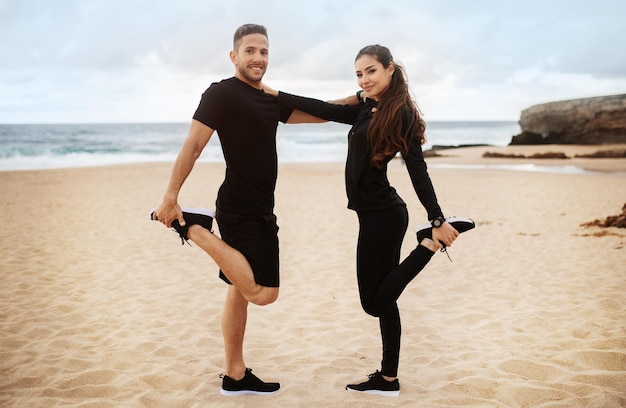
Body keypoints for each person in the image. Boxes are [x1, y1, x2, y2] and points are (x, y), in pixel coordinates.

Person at [263, 44, 473, 396]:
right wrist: (278, 96)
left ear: (390, 69)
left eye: (371, 71)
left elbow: (417, 169)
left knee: (373, 303)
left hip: (385, 216)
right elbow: (324, 109)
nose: (365, 79)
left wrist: (436, 217)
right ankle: (388, 378)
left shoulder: (400, 113)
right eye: (359, 74)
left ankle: (430, 243)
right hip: (374, 214)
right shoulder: (365, 107)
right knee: (385, 299)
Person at [151, 24, 323, 396]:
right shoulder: (221, 94)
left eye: (263, 51)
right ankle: (193, 229)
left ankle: (235, 374)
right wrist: (171, 197)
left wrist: (365, 102)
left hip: (262, 208)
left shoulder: (271, 100)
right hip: (239, 208)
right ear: (234, 56)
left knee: (238, 289)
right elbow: (193, 145)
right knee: (264, 293)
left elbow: (321, 112)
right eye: (250, 51)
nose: (258, 58)